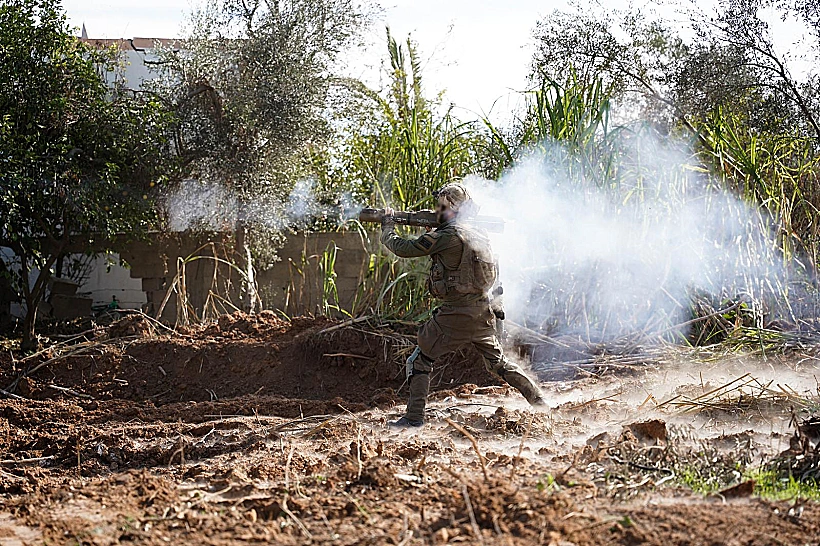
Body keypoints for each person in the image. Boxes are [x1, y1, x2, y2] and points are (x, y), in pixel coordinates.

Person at [380, 182, 547, 427]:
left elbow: (404, 248)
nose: (438, 209)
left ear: (451, 207)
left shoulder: (448, 235)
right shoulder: (479, 234)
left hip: (456, 315)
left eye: (442, 205)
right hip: (482, 311)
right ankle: (541, 402)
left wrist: (388, 225)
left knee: (419, 361)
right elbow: (490, 275)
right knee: (499, 364)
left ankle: (414, 418)